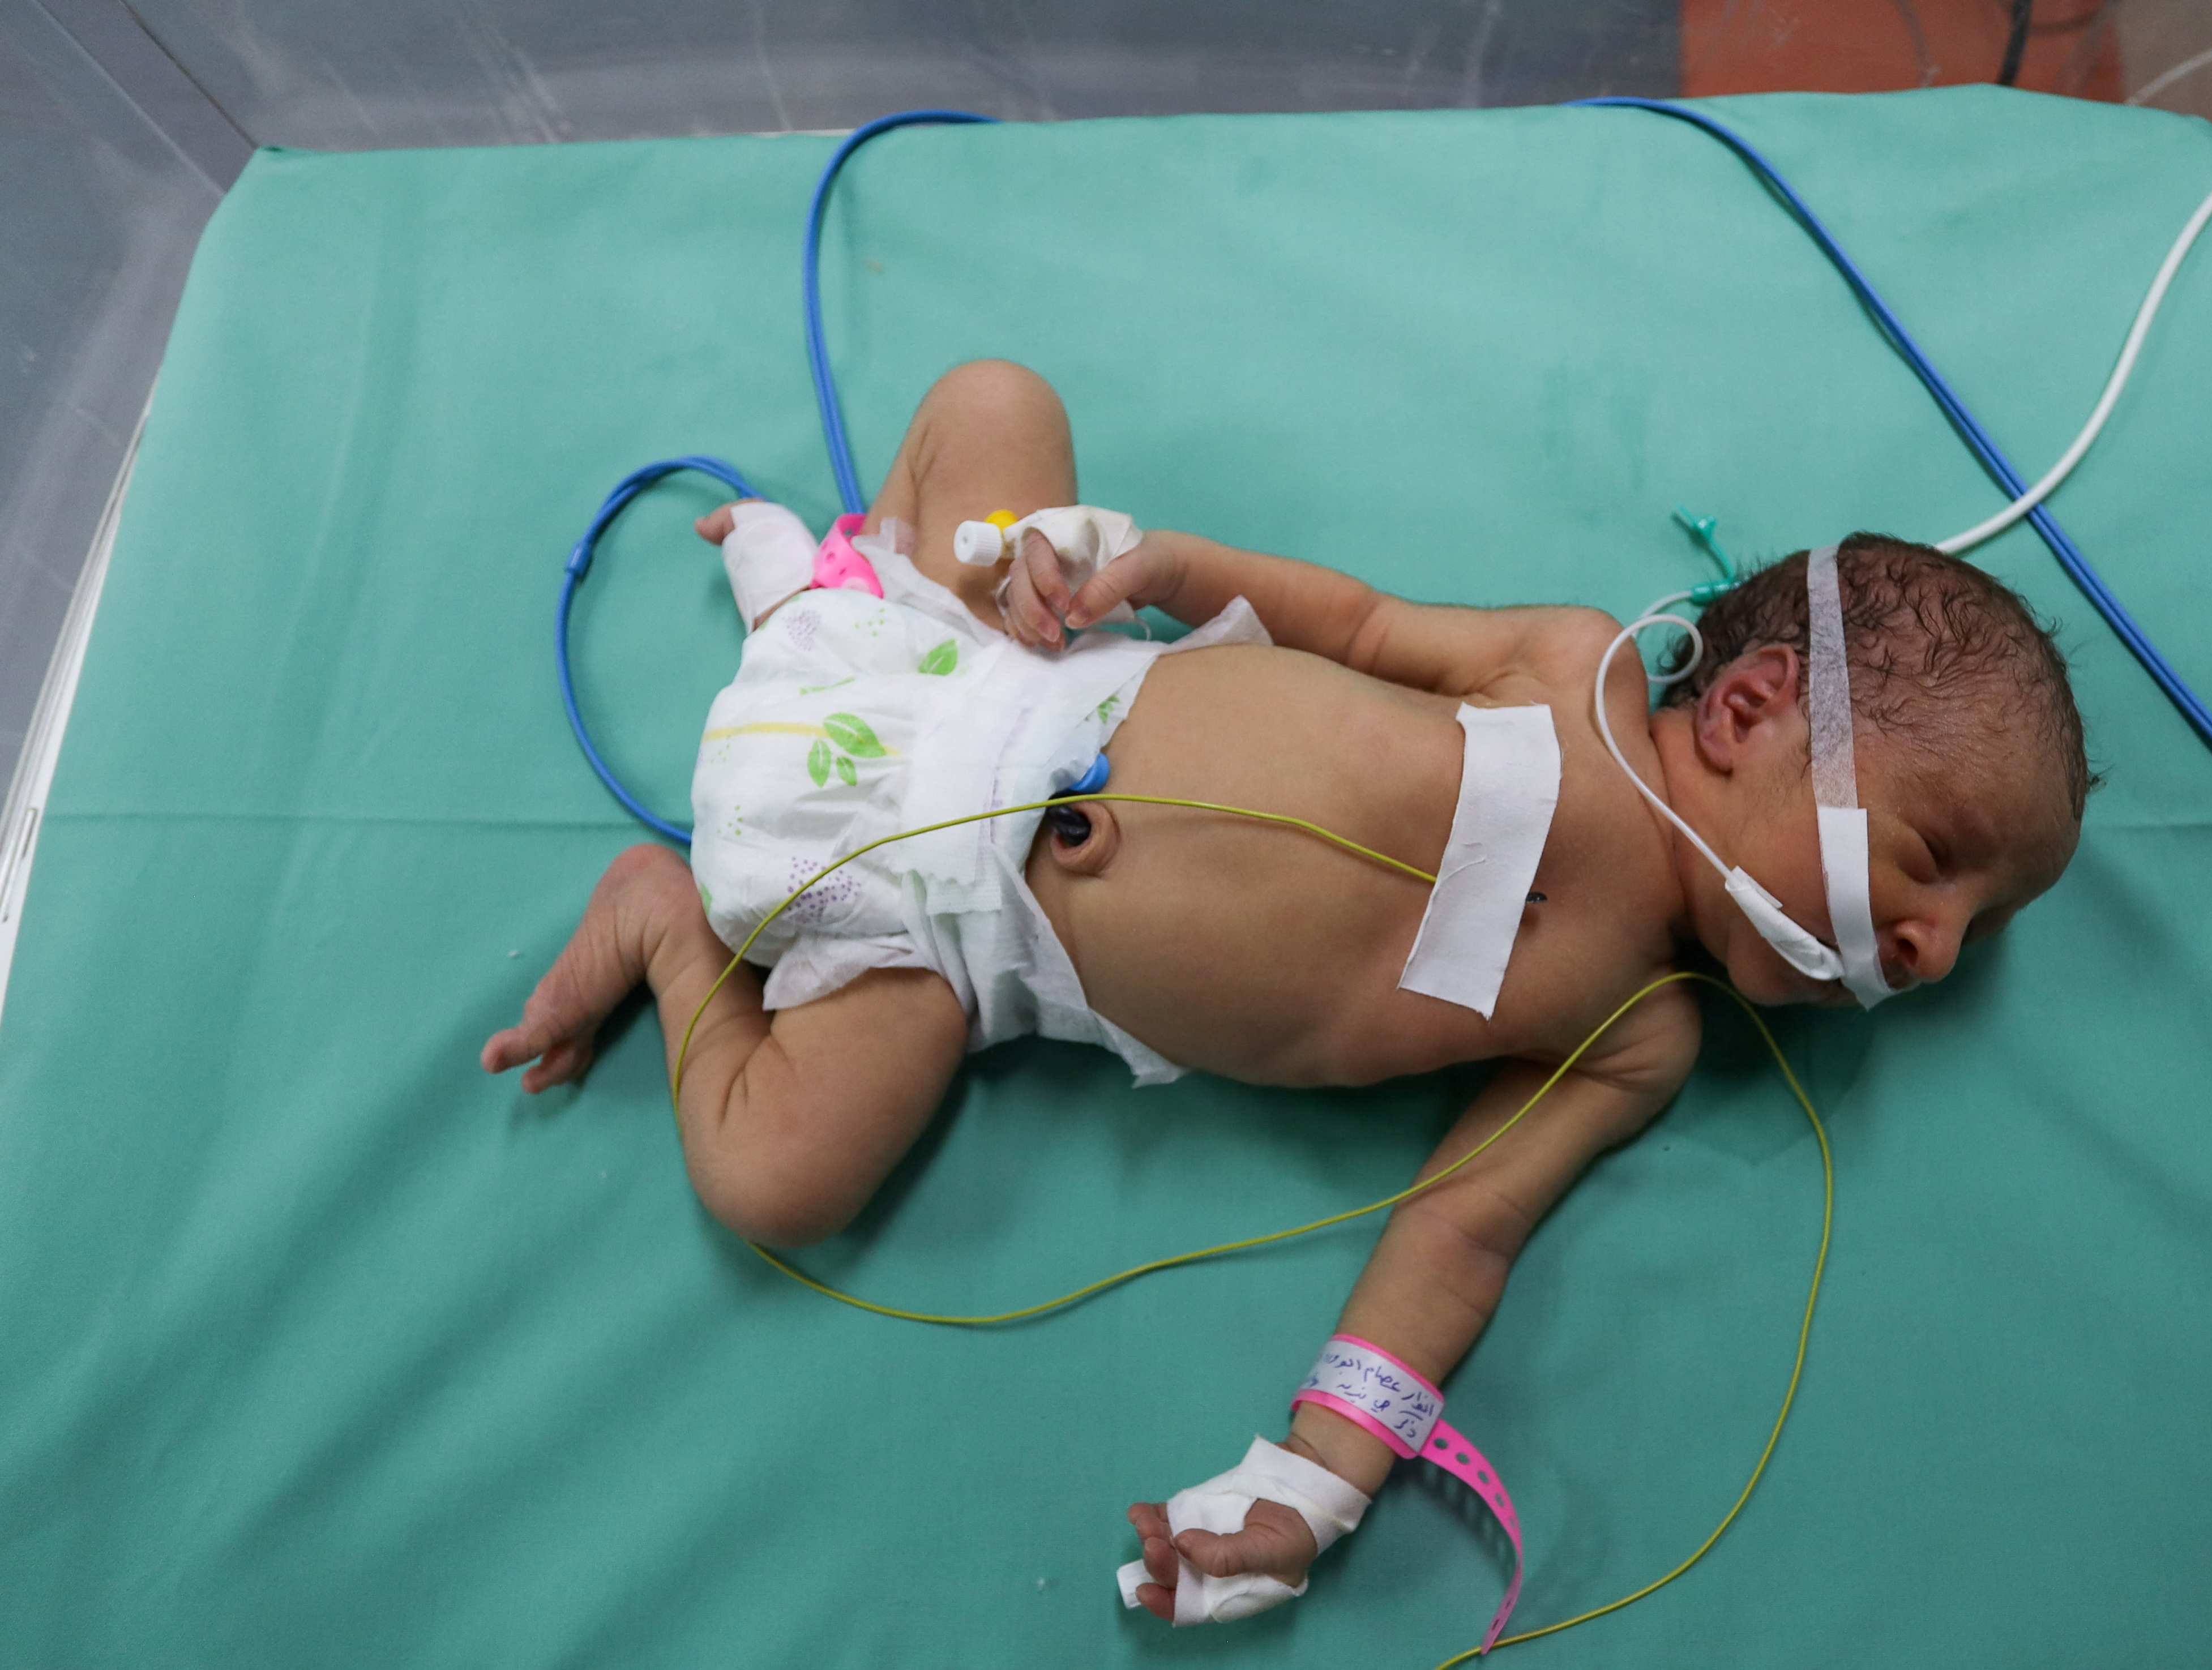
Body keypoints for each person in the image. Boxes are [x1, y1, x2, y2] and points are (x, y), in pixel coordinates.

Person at [481, 358, 2087, 1624]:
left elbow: (1455, 1232)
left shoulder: (1632, 1036)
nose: (1934, 948)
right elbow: (1362, 622)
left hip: (947, 940)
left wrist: (1314, 1487)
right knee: (994, 403)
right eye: (1933, 858)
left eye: (1970, 930)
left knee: (779, 1176)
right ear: (1746, 708)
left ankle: (661, 932)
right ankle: (848, 580)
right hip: (989, 661)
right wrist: (1148, 558)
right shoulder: (1569, 667)